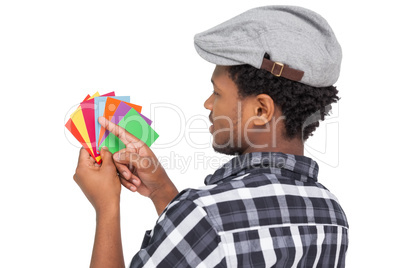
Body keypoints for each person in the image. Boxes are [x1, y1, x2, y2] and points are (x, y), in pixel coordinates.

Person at [73, 5, 348, 268]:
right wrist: (162, 192)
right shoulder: (331, 214)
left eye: (217, 93)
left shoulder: (205, 215)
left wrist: (107, 207)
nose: (208, 103)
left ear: (261, 110)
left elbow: (214, 230)